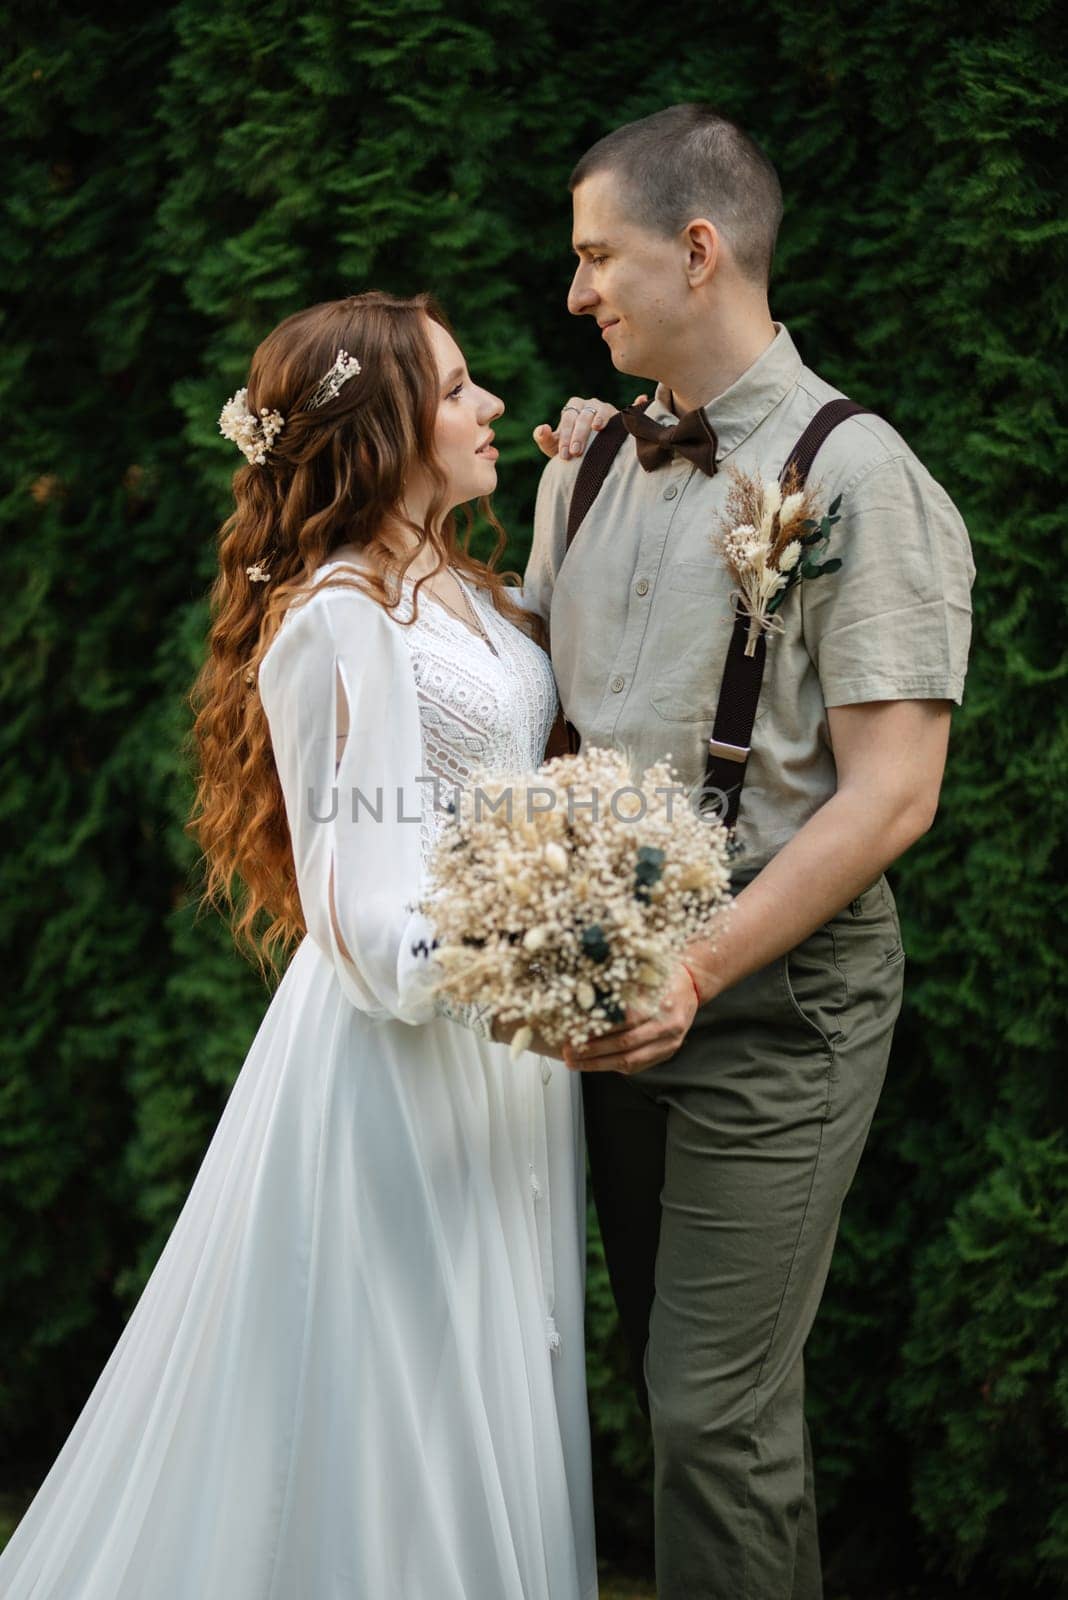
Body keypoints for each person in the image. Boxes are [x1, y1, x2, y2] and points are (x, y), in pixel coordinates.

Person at [0, 290, 608, 1600]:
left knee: (498, 1383)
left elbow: (523, 713)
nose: (492, 403)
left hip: (500, 1063)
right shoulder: (338, 617)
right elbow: (353, 904)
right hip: (406, 1058)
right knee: (407, 1418)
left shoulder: (459, 587)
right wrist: (522, 961)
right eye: (457, 389)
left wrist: (573, 498)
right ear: (382, 430)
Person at [525, 104, 976, 1599]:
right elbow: (540, 719)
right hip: (616, 1002)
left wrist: (698, 968)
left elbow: (892, 795)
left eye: (598, 256)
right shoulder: (579, 465)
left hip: (775, 1007)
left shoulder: (863, 478)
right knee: (672, 1400)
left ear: (697, 249)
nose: (577, 290)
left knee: (714, 1417)